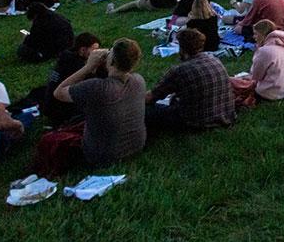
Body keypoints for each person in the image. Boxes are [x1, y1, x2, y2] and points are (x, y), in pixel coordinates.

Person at [44, 38, 147, 171]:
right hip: (136, 146)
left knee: (50, 140)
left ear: (112, 61)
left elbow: (58, 93)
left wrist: (87, 67)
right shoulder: (139, 80)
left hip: (102, 156)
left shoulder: (97, 87)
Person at [144, 29, 235, 131]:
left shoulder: (180, 70)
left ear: (182, 48)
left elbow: (152, 96)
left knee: (146, 111)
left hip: (195, 122)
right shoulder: (214, 60)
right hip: (224, 116)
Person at [39, 32, 102, 125]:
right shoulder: (75, 65)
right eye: (94, 50)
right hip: (61, 110)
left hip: (51, 106)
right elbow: (92, 86)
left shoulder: (67, 58)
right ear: (83, 50)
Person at [249, 20, 284, 101]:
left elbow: (256, 76)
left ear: (262, 34)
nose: (254, 36)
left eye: (256, 34)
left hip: (270, 93)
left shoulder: (264, 51)